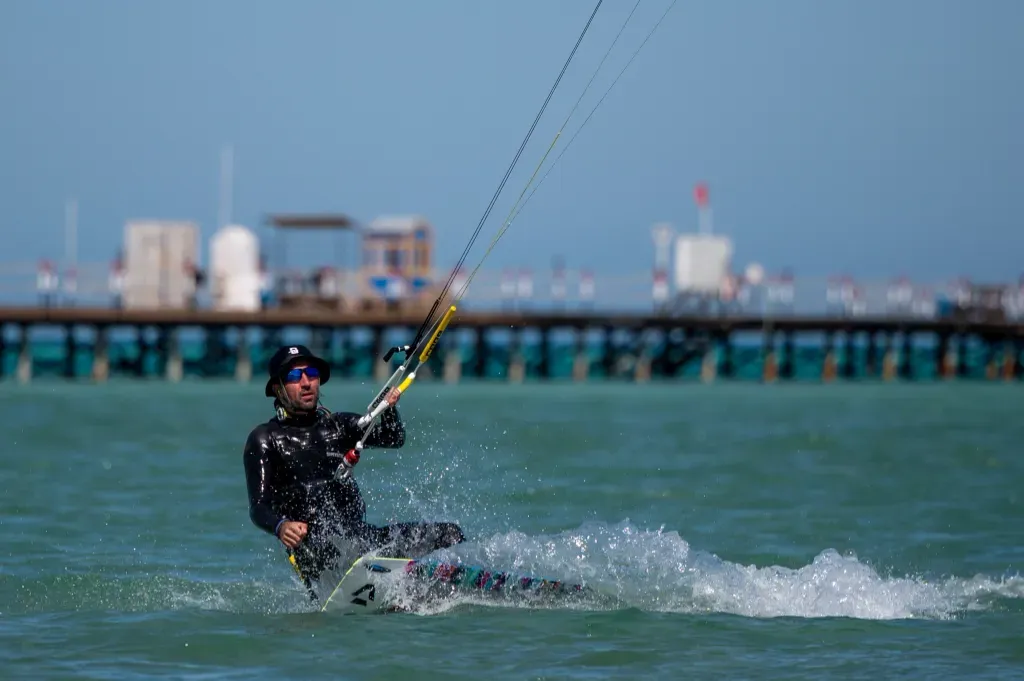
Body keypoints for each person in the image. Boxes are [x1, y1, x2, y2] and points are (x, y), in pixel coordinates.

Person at [243, 344, 465, 601]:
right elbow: (258, 507)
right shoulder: (264, 439)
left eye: (311, 374)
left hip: (362, 541)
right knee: (336, 545)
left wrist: (389, 408)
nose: (306, 383)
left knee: (450, 534)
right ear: (278, 389)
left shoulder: (339, 426)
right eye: (295, 377)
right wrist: (281, 526)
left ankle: (456, 583)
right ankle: (386, 584)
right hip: (317, 555)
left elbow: (392, 438)